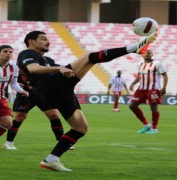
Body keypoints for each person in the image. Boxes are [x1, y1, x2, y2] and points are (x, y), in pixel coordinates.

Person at [17, 30, 157, 171]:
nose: (48, 42)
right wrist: (60, 68)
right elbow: (33, 69)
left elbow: (54, 68)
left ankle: (51, 160)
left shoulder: (46, 60)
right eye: (43, 39)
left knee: (81, 128)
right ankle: (134, 48)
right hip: (51, 87)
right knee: (90, 57)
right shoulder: (28, 53)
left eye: (47, 39)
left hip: (60, 92)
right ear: (31, 42)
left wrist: (60, 68)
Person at [3, 54, 73, 150]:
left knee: (54, 115)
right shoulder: (24, 60)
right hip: (26, 93)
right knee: (20, 117)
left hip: (44, 94)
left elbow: (57, 70)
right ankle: (9, 143)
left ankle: (61, 142)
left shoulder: (48, 60)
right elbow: (15, 76)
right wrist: (18, 86)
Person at [129, 50, 168, 135]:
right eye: (145, 53)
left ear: (152, 54)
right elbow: (139, 77)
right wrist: (132, 84)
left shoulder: (157, 64)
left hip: (153, 89)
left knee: (153, 108)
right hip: (141, 88)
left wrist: (164, 87)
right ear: (142, 55)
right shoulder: (140, 64)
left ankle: (154, 128)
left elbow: (164, 75)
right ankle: (146, 125)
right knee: (132, 106)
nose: (146, 54)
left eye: (149, 52)